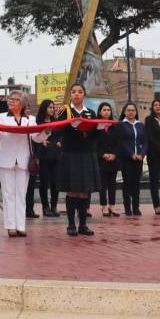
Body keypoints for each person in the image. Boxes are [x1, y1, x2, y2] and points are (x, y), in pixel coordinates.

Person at [0, 90, 45, 237]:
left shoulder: (31, 119)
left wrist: (46, 131)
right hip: (5, 159)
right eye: (10, 99)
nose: (12, 102)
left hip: (24, 160)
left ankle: (21, 225)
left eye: (15, 99)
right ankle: (10, 226)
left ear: (22, 103)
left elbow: (37, 138)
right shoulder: (1, 116)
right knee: (8, 193)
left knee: (21, 193)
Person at [57, 83, 103, 236]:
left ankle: (83, 224)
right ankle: (71, 224)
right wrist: (71, 126)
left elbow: (95, 136)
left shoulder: (90, 112)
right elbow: (59, 131)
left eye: (80, 92)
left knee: (84, 191)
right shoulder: (65, 111)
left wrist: (99, 129)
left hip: (87, 153)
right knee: (72, 191)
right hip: (70, 153)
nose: (77, 94)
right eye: (74, 92)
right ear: (70, 95)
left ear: (85, 95)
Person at [118, 102, 147, 217]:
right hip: (126, 159)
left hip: (139, 159)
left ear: (136, 112)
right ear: (124, 112)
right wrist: (131, 154)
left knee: (136, 183)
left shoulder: (140, 125)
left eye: (133, 110)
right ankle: (127, 208)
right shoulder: (121, 124)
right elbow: (121, 142)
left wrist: (142, 154)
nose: (131, 112)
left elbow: (145, 141)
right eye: (128, 110)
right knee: (127, 183)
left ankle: (136, 207)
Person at [34, 99, 62, 217]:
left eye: (53, 107)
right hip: (44, 155)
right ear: (44, 108)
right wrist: (41, 142)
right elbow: (33, 137)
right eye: (49, 107)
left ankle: (54, 206)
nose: (52, 109)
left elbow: (61, 135)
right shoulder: (37, 121)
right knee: (44, 183)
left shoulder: (56, 121)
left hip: (56, 154)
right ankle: (45, 207)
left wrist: (61, 142)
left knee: (55, 182)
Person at [96, 102, 120, 217]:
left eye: (108, 110)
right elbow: (95, 143)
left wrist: (114, 154)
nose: (106, 112)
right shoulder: (96, 126)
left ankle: (112, 206)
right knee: (103, 184)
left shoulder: (115, 126)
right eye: (104, 110)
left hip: (113, 159)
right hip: (101, 159)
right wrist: (103, 154)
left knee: (112, 184)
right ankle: (104, 206)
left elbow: (118, 143)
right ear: (100, 112)